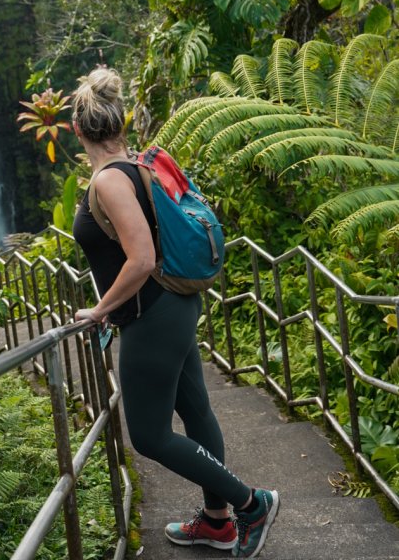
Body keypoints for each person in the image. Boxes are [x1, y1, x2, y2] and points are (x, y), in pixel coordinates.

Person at [72, 67, 279, 558]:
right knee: (196, 411)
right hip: (175, 305)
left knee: (148, 435)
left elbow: (140, 258)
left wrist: (99, 309)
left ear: (78, 130)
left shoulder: (109, 182)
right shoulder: (138, 166)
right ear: (121, 123)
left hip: (151, 314)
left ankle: (250, 505)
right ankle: (217, 524)